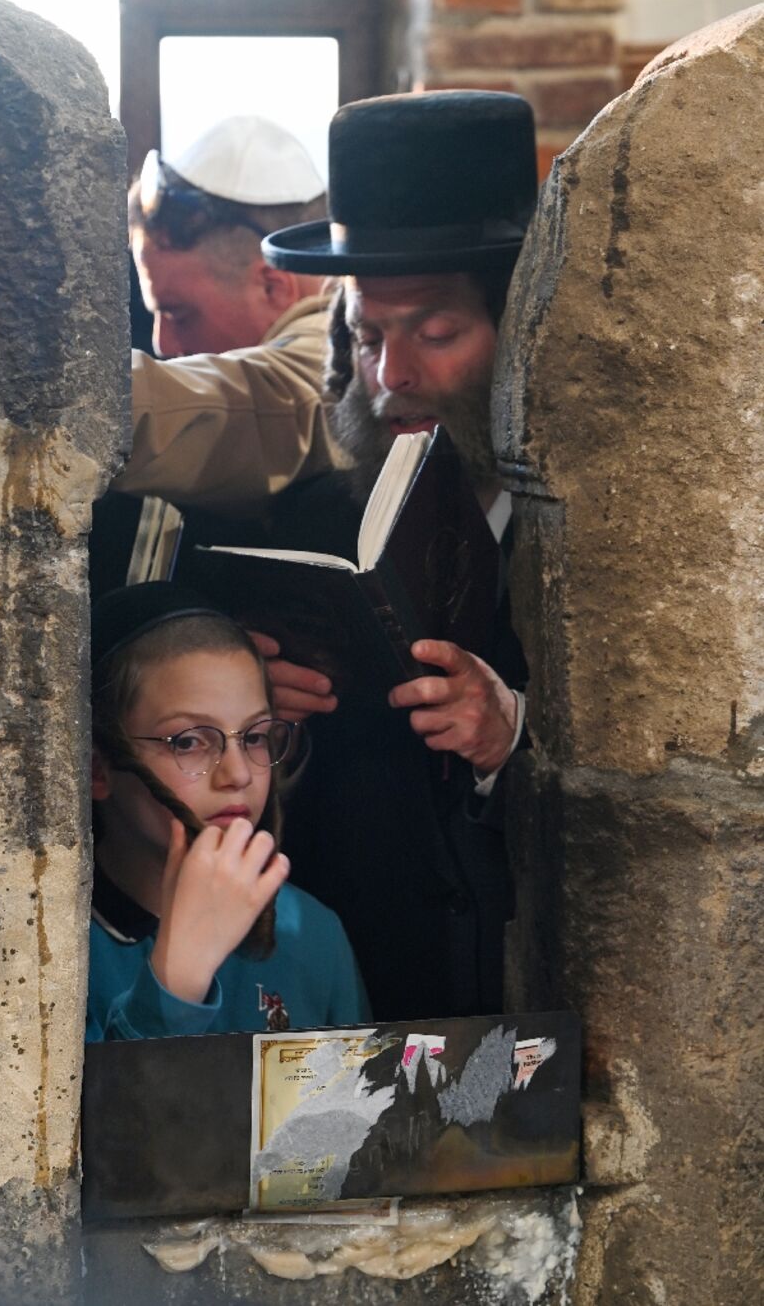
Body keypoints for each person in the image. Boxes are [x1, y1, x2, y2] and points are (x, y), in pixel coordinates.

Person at [248, 91, 538, 1020]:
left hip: (531, 1018)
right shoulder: (295, 534)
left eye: (436, 334)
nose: (392, 377)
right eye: (369, 337)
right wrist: (250, 714)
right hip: (345, 1024)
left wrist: (512, 737)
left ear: (520, 338)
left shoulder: (607, 549)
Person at [86, 582, 370, 1041]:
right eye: (189, 742)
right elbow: (100, 1113)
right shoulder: (51, 948)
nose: (237, 774)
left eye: (255, 737)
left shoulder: (313, 931)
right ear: (98, 769)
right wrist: (176, 980)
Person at [90, 116, 339, 597]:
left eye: (179, 313)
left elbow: (269, 406)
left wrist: (47, 390)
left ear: (273, 284)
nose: (164, 343)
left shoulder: (343, 348)